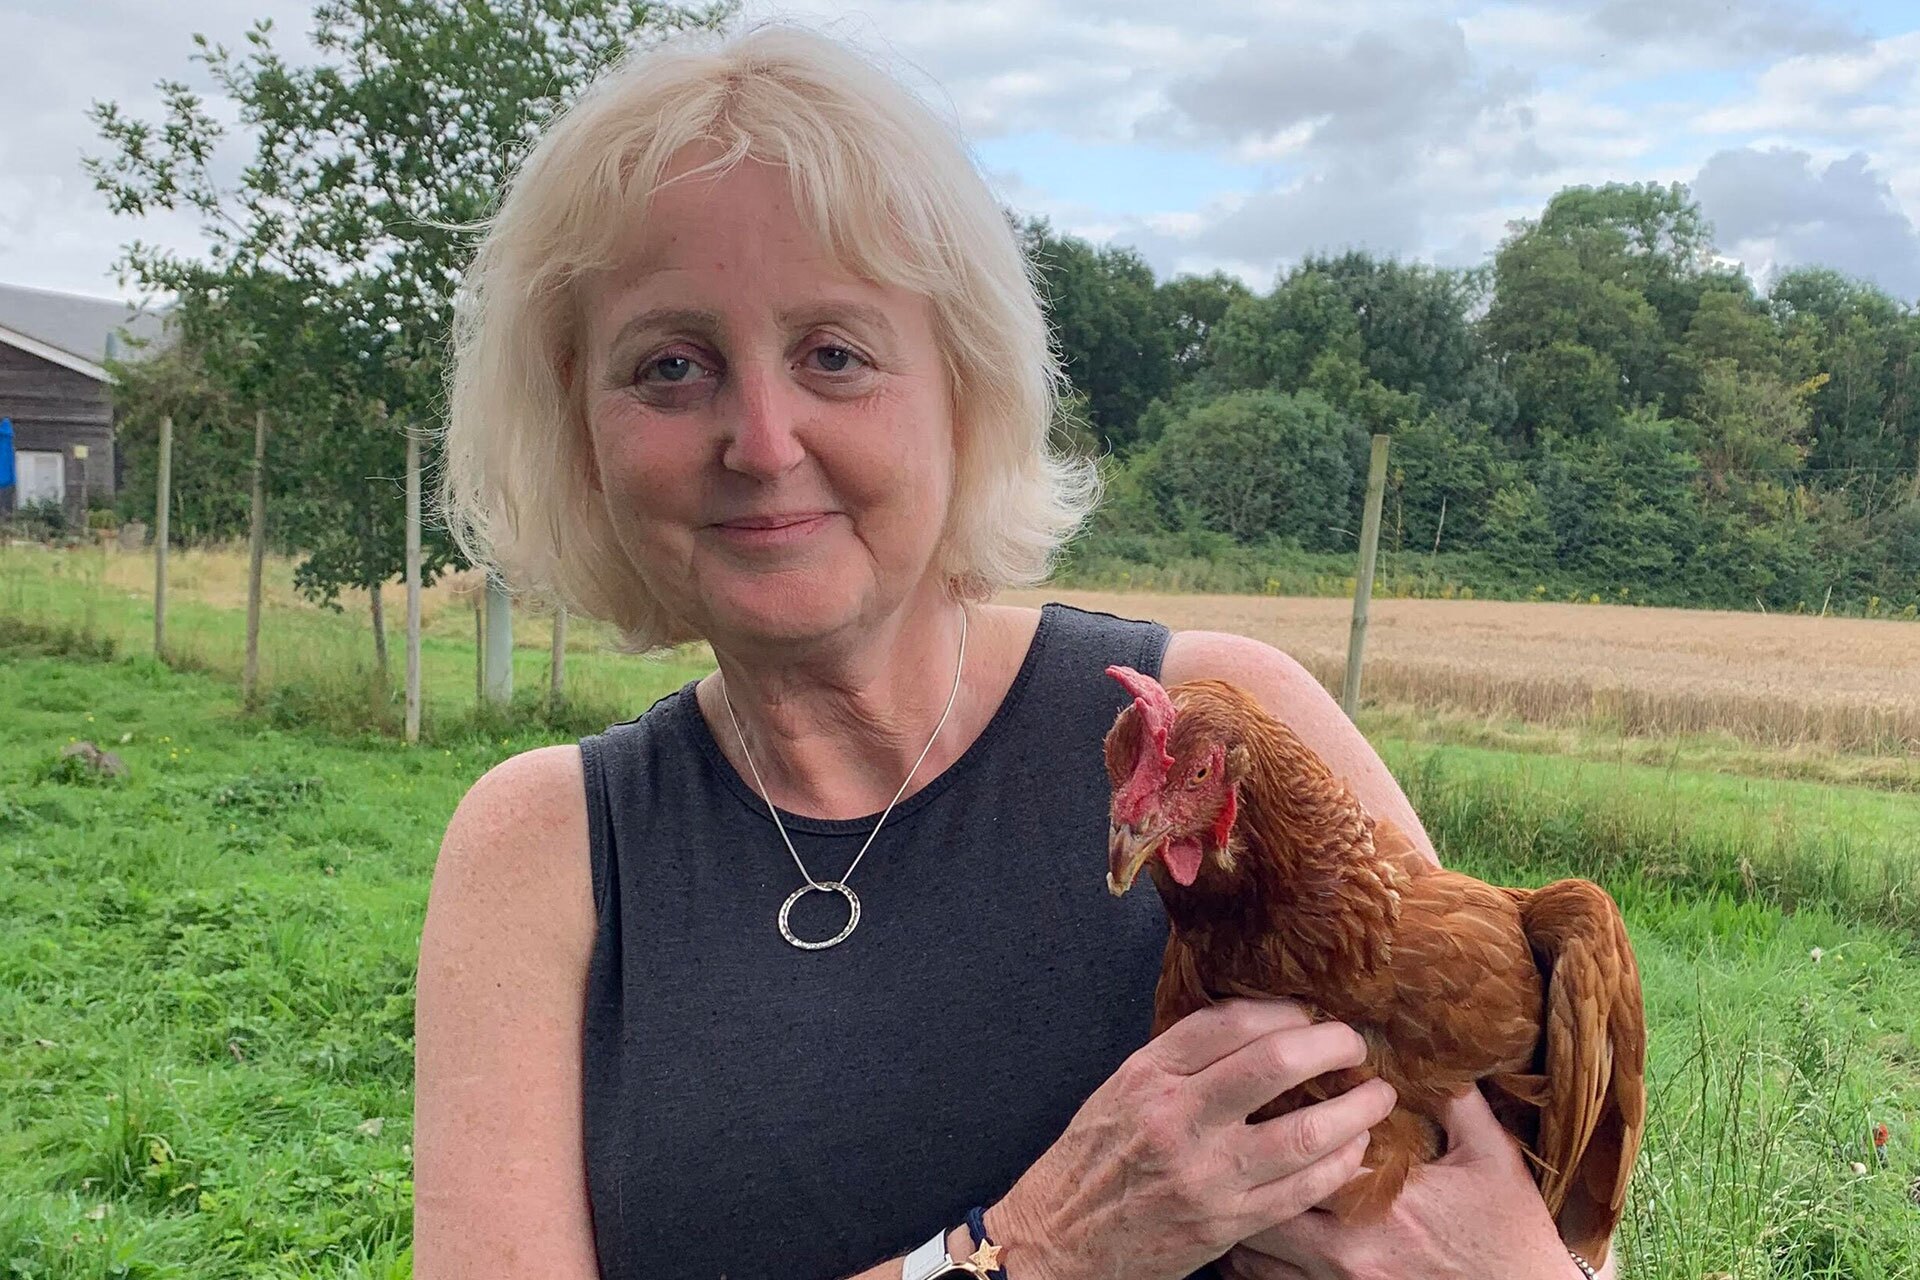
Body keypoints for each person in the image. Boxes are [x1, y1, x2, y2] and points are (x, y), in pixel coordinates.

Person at [414, 22, 1606, 1280]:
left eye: (834, 353)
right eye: (670, 365)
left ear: (962, 386)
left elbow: (1530, 1213)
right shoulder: (544, 854)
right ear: (578, 428)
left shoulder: (1228, 727)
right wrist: (1031, 1253)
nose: (760, 441)